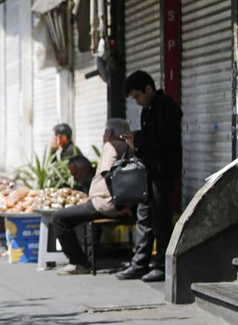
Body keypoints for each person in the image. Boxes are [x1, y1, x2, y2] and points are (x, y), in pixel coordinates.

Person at [116, 70, 182, 282]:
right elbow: (151, 137)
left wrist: (139, 142)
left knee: (161, 221)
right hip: (149, 173)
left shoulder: (165, 108)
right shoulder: (149, 109)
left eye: (138, 96)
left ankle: (162, 266)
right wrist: (137, 138)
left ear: (149, 89)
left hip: (162, 173)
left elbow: (164, 141)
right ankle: (139, 264)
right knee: (144, 217)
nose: (137, 102)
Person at [52, 119, 133, 275]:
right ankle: (84, 256)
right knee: (73, 215)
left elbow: (109, 175)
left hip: (103, 204)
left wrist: (118, 205)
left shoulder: (110, 146)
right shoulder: (128, 148)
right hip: (116, 204)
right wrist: (124, 205)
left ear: (110, 133)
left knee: (59, 218)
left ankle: (78, 262)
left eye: (105, 132)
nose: (103, 135)